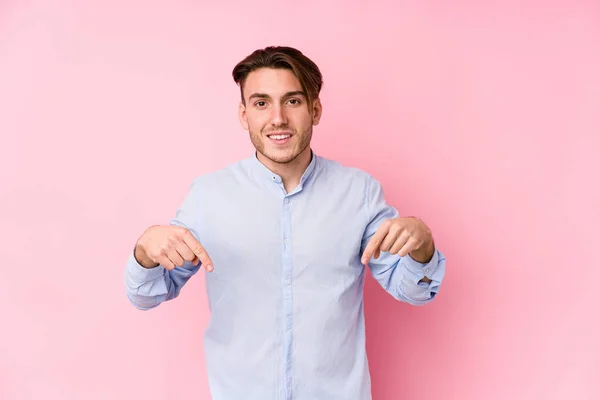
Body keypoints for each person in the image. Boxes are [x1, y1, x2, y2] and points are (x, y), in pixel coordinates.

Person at [124, 45, 446, 400]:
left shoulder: (359, 193)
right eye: (261, 103)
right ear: (244, 114)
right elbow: (145, 296)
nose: (277, 118)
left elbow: (415, 291)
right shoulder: (208, 196)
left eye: (292, 101)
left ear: (315, 109)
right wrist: (145, 250)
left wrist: (423, 245)